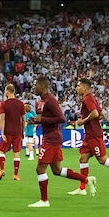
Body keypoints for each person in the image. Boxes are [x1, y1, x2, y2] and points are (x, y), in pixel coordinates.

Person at [68, 78, 109, 197]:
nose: (77, 88)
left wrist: (83, 121)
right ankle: (82, 188)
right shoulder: (91, 98)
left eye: (78, 86)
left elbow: (95, 114)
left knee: (103, 160)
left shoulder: (88, 98)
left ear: (85, 88)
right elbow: (101, 115)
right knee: (83, 159)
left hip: (94, 135)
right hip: (89, 135)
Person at [27, 76, 85, 208]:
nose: (34, 87)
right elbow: (46, 118)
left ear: (42, 86)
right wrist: (36, 120)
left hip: (51, 138)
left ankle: (44, 200)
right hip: (51, 136)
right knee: (57, 171)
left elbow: (61, 118)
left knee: (40, 169)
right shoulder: (42, 100)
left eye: (36, 85)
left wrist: (43, 120)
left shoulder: (50, 100)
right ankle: (86, 179)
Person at [0, 84, 25, 180]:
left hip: (7, 131)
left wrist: (2, 132)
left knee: (2, 151)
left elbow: (2, 119)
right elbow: (23, 119)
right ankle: (15, 175)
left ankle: (2, 170)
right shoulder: (21, 104)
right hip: (17, 132)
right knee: (16, 153)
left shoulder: (3, 104)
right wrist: (23, 131)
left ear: (7, 91)